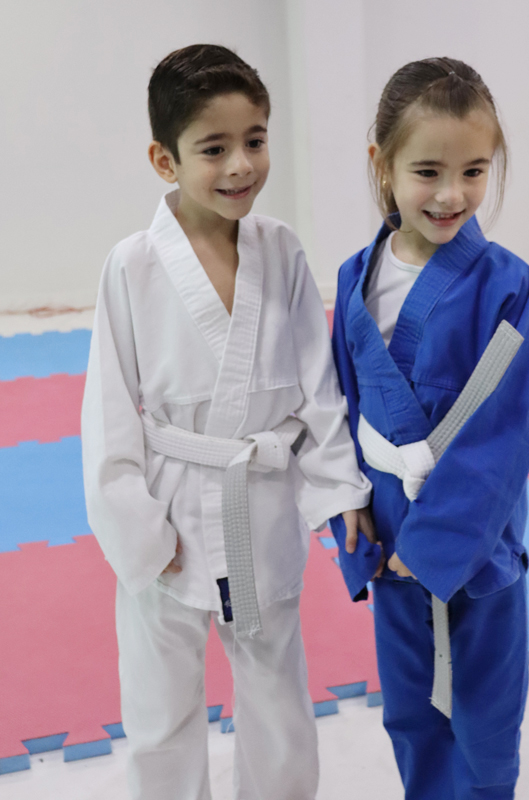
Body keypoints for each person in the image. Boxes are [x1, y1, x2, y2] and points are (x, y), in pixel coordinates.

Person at [81, 44, 372, 800]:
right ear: (165, 159)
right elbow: (109, 411)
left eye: (255, 139)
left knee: (279, 706)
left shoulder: (281, 249)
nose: (241, 165)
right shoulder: (132, 265)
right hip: (170, 516)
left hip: (262, 508)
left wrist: (339, 490)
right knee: (160, 714)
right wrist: (138, 531)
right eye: (214, 148)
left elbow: (317, 388)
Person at [330, 57, 529, 799]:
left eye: (474, 171)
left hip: (473, 536)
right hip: (387, 528)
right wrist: (346, 501)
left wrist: (431, 550)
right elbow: (339, 403)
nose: (451, 194)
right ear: (382, 164)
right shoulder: (354, 278)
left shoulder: (506, 283)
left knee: (486, 720)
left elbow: (508, 428)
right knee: (409, 711)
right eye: (427, 171)